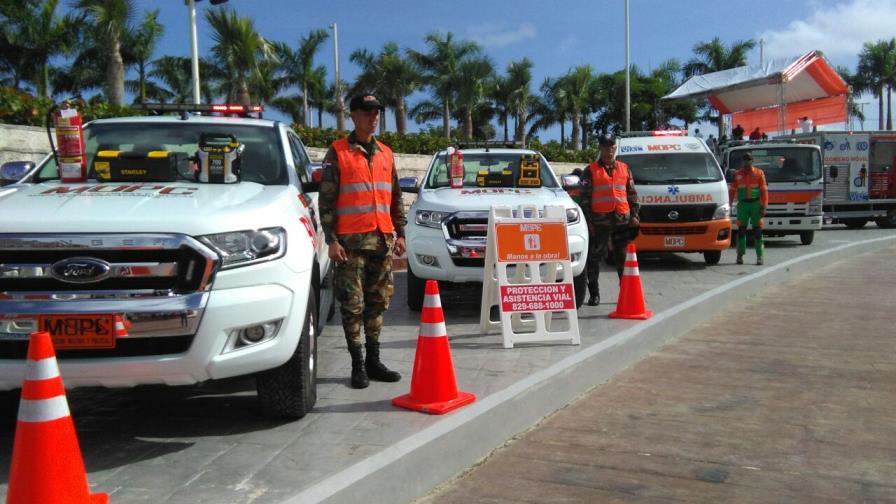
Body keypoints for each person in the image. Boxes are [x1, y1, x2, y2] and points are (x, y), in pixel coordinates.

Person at [319, 93, 406, 389]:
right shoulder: (338, 152)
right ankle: (357, 365)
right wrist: (331, 240)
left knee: (378, 303)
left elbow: (395, 197)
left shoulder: (386, 153)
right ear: (353, 115)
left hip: (381, 241)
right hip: (350, 245)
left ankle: (374, 360)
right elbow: (326, 200)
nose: (374, 117)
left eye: (377, 112)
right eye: (367, 112)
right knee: (352, 305)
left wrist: (401, 232)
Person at [579, 133, 640, 306]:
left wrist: (635, 215)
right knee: (593, 258)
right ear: (601, 148)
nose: (610, 152)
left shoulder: (624, 168)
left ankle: (626, 293)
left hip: (621, 220)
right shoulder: (590, 171)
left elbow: (632, 194)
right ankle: (594, 294)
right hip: (599, 222)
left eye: (612, 148)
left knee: (623, 259)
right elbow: (584, 198)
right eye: (606, 148)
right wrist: (588, 222)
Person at [730, 152, 768, 265]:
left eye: (749, 160)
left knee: (758, 231)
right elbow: (732, 190)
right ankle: (740, 255)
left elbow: (764, 190)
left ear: (752, 161)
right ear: (743, 161)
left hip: (756, 204)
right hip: (743, 205)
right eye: (745, 160)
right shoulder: (737, 174)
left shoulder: (759, 173)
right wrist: (729, 204)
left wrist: (764, 206)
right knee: (741, 231)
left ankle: (760, 256)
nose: (747, 162)